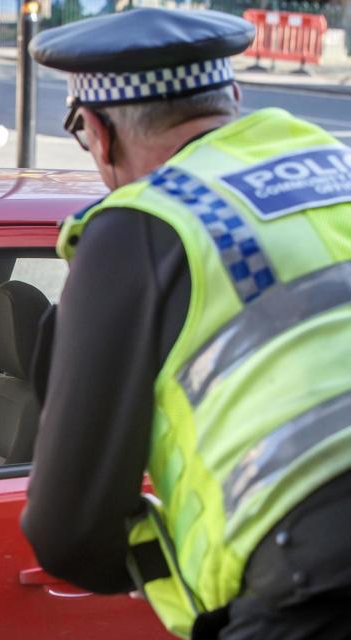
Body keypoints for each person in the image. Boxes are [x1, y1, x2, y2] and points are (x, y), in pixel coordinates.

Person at [19, 8, 351, 639]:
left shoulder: (142, 226)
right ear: (233, 98)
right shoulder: (336, 166)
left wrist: (171, 576)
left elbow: (68, 529)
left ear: (97, 131)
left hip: (318, 585)